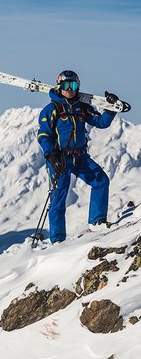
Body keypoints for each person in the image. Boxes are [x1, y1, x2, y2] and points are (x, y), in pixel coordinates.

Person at [37, 70, 119, 243]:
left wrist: (110, 109)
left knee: (101, 181)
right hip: (59, 160)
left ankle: (97, 221)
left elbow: (101, 122)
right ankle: (58, 240)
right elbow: (43, 135)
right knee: (59, 198)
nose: (69, 89)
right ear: (59, 86)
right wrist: (51, 155)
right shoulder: (51, 109)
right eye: (66, 85)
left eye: (73, 85)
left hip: (80, 157)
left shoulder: (82, 108)